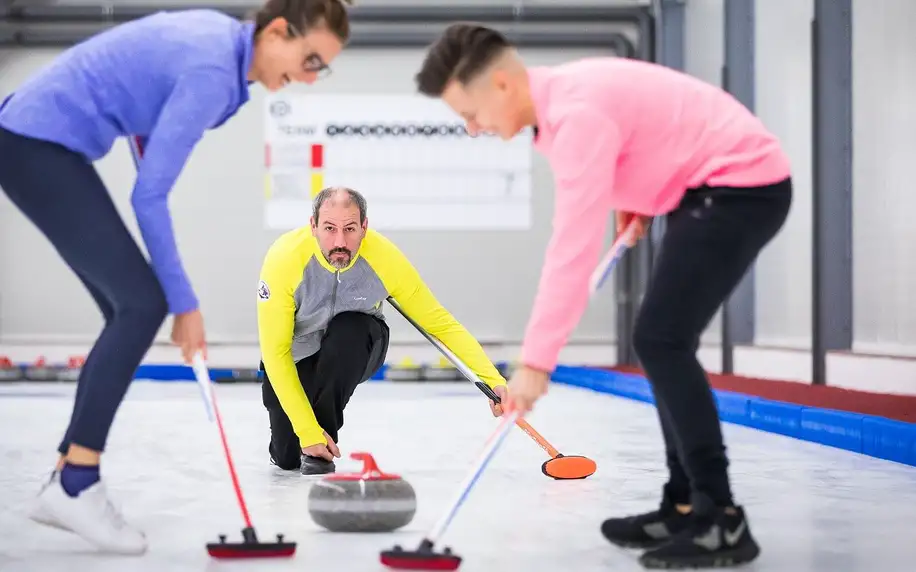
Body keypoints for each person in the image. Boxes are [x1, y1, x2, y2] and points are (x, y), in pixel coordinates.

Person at [413, 23, 793, 570]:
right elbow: (655, 131)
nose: (473, 129)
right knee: (660, 340)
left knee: (661, 338)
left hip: (742, 186)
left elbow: (571, 250)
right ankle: (684, 505)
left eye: (470, 114)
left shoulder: (575, 116)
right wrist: (637, 195)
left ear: (500, 85)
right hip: (704, 187)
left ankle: (722, 518)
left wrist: (535, 361)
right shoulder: (561, 102)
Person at [0, 0, 354, 555]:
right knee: (142, 306)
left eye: (321, 68)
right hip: (36, 143)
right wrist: (184, 303)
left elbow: (145, 133)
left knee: (129, 307)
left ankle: (69, 472)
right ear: (278, 31)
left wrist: (171, 284)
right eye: (311, 59)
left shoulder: (219, 47)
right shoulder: (215, 69)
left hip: (30, 140)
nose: (310, 77)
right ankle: (77, 481)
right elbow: (149, 195)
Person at [257, 186, 508, 475]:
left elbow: (440, 324)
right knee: (287, 457)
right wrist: (303, 428)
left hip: (356, 345)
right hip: (297, 353)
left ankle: (321, 443)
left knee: (348, 329)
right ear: (313, 226)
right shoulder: (284, 258)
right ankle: (307, 440)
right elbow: (275, 352)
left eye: (350, 229)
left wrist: (493, 378)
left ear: (364, 227)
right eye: (329, 228)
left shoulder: (384, 259)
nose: (340, 241)